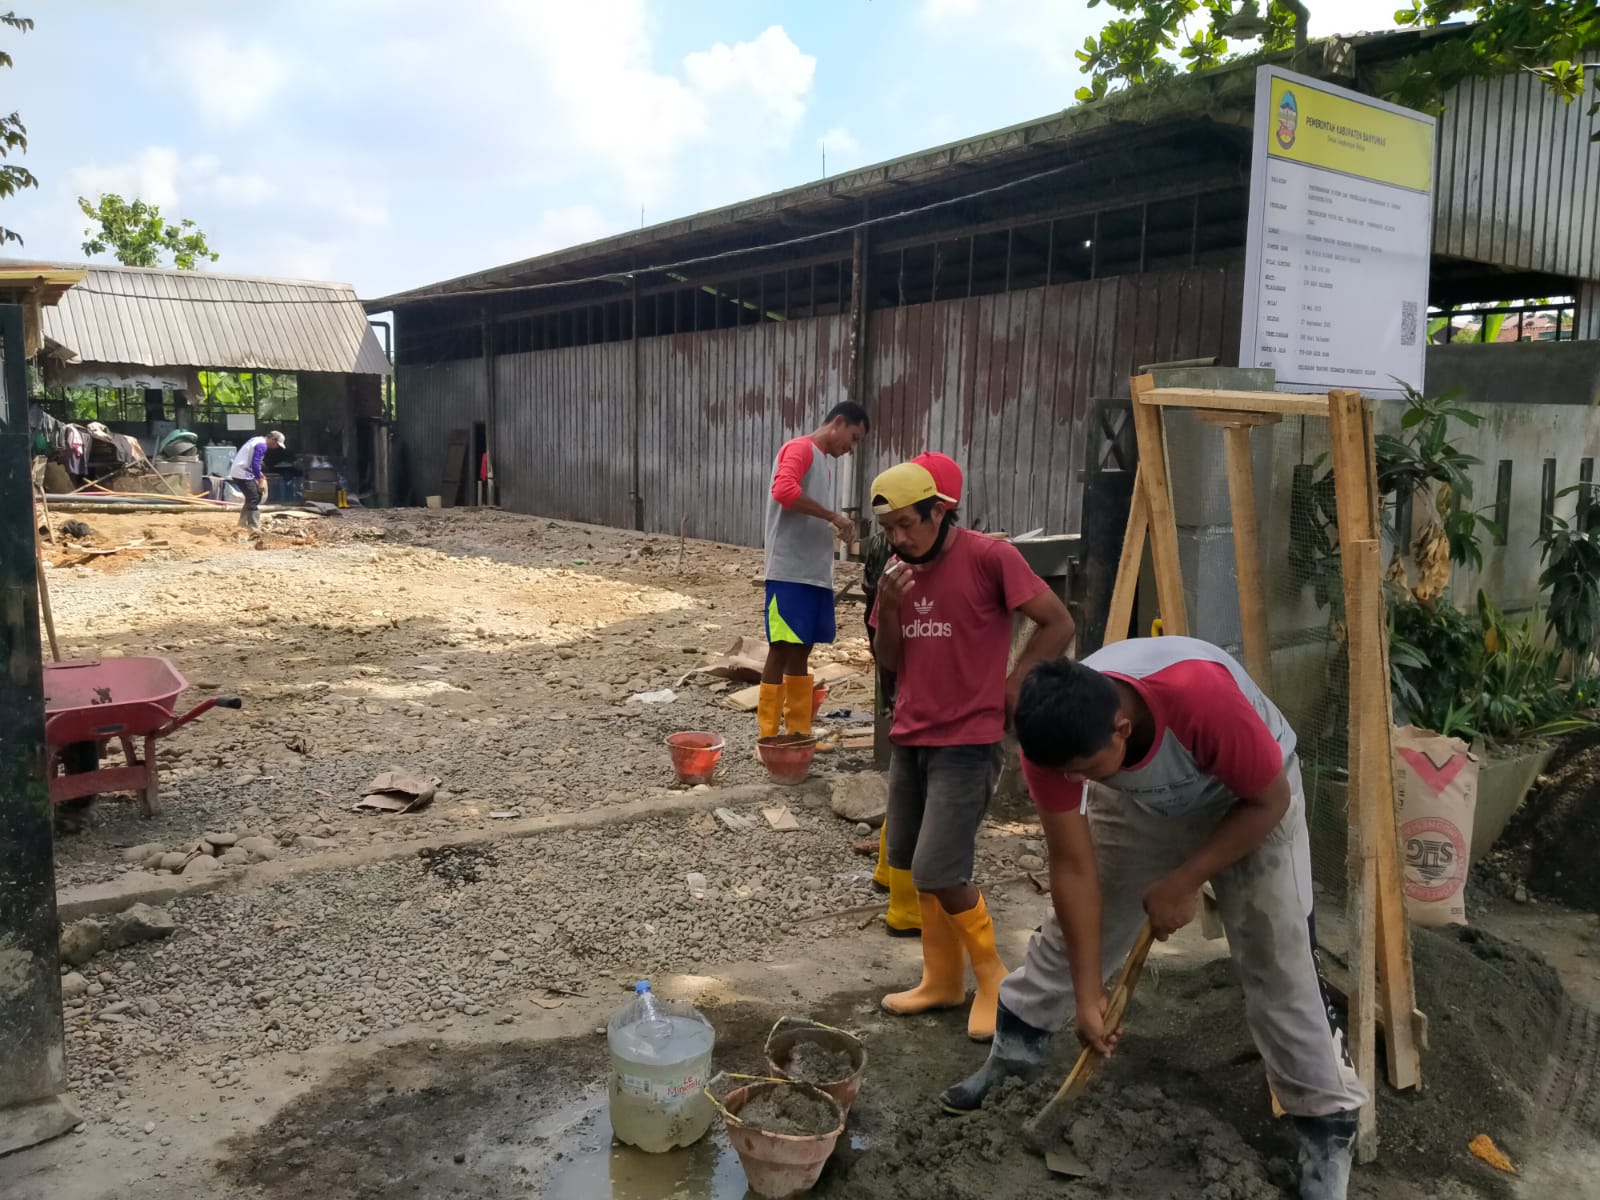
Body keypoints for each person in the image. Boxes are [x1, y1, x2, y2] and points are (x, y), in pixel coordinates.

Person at [940, 640, 1368, 1200]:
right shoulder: (1054, 740)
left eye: (1082, 771)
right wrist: (1090, 996)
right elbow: (1073, 869)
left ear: (1121, 728)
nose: (1072, 780)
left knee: (1278, 962)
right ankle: (1014, 1055)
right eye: (1066, 773)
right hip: (1143, 800)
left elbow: (1270, 802)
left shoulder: (1200, 698)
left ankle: (1326, 1134)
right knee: (1074, 932)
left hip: (1252, 795)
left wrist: (1186, 880)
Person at [869, 456, 1074, 1041]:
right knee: (910, 865)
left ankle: (994, 979)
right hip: (912, 735)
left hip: (970, 738)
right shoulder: (896, 573)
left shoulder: (990, 557)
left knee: (941, 867)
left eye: (909, 523)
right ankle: (941, 981)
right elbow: (890, 660)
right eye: (890, 530)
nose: (900, 538)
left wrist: (1016, 683)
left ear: (940, 510)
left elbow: (1056, 622)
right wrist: (888, 606)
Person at [759, 402, 870, 744]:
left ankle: (797, 731)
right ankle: (768, 734)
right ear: (838, 422)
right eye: (852, 437)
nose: (850, 448)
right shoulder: (800, 448)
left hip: (813, 575)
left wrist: (835, 524)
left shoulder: (824, 464)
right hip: (790, 572)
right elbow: (784, 490)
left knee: (803, 650)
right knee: (782, 647)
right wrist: (833, 516)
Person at [228, 430, 285, 532]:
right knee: (254, 497)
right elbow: (255, 464)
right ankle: (253, 528)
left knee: (254, 496)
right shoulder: (262, 445)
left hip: (241, 470)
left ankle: (242, 522)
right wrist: (260, 480)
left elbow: (254, 462)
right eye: (277, 444)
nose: (277, 447)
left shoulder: (256, 439)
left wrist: (260, 474)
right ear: (273, 439)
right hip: (241, 472)